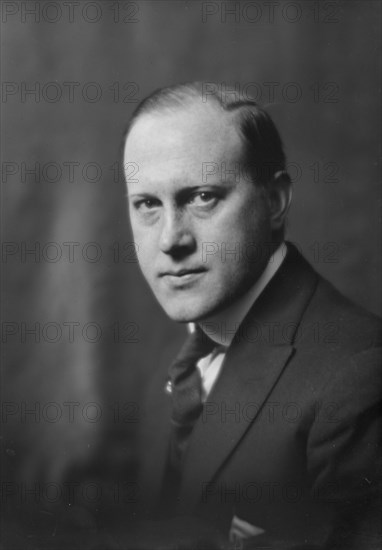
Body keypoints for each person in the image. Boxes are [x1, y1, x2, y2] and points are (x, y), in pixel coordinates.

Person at [122, 82, 381, 549]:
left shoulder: (359, 376)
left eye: (202, 197)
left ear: (274, 201)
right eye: (147, 205)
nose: (169, 240)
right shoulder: (171, 356)